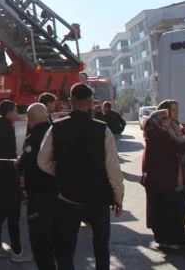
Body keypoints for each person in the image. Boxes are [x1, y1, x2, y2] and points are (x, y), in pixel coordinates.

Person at [37, 83, 124, 270]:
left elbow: (42, 161)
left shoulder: (56, 128)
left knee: (66, 249)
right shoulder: (103, 129)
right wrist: (118, 197)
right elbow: (113, 168)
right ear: (91, 103)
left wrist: (60, 174)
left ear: (70, 102)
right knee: (101, 247)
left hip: (68, 198)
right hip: (99, 199)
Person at [141, 105, 185, 251]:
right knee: (165, 212)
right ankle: (168, 241)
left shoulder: (155, 133)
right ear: (159, 121)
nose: (167, 120)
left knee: (164, 211)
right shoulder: (159, 135)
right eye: (165, 118)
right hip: (162, 180)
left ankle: (168, 239)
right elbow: (177, 148)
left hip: (160, 179)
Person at [0, 100, 33, 263]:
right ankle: (17, 252)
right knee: (13, 216)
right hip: (9, 178)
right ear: (10, 112)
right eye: (15, 111)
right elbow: (14, 157)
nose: (17, 114)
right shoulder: (9, 130)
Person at [18, 103, 57, 270]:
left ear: (30, 120)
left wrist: (19, 164)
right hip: (61, 195)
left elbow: (26, 164)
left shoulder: (32, 138)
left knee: (41, 245)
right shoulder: (58, 132)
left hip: (39, 197)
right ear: (46, 115)